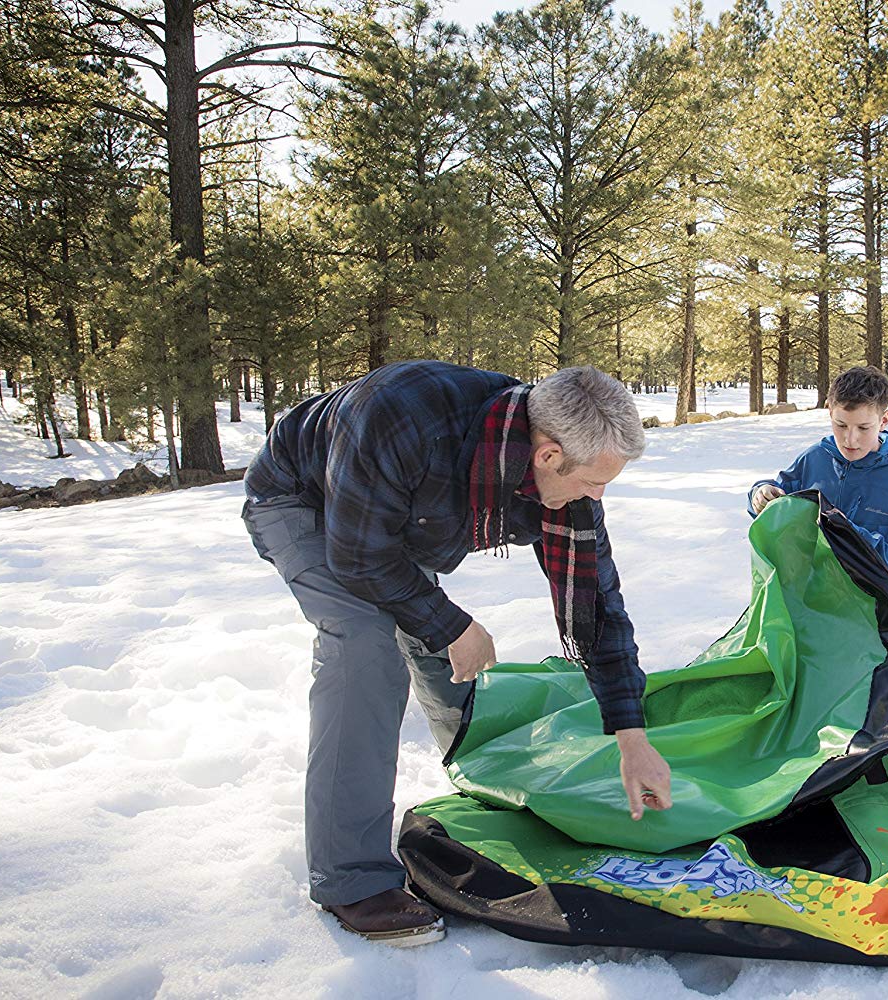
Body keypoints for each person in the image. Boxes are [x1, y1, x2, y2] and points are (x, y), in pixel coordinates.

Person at [241, 362, 672, 947]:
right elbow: (359, 557)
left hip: (391, 515)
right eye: (594, 483)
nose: (597, 498)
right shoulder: (400, 417)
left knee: (442, 650)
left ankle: (477, 775)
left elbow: (598, 608)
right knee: (365, 648)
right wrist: (451, 622)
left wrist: (632, 736)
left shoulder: (553, 466)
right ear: (546, 456)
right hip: (302, 498)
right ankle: (351, 880)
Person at [748, 366, 888, 603]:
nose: (849, 439)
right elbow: (777, 498)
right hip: (812, 600)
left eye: (863, 428)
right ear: (830, 412)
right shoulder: (815, 457)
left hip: (876, 608)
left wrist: (847, 537)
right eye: (841, 425)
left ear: (883, 420)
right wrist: (760, 493)